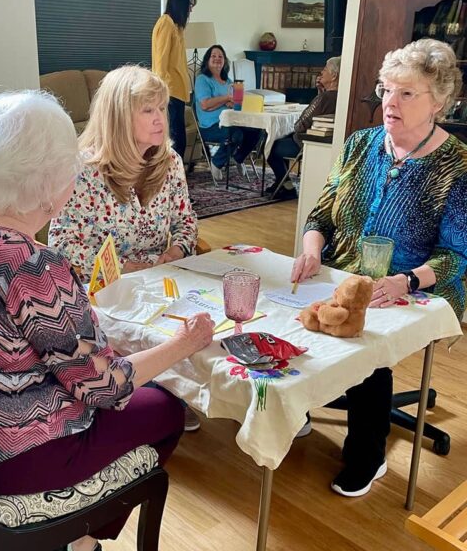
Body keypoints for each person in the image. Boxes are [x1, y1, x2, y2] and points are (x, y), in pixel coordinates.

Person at [0, 91, 214, 551]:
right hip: (16, 454)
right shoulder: (32, 264)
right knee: (168, 406)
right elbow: (106, 389)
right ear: (48, 184)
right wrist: (183, 344)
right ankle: (85, 529)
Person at [291, 39, 467, 498]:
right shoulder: (359, 145)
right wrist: (311, 250)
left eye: (407, 93)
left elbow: (457, 256)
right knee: (295, 317)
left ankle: (368, 456)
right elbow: (321, 217)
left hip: (418, 285)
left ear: (440, 102)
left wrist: (405, 280)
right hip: (343, 274)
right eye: (386, 89)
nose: (390, 101)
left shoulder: (458, 165)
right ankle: (299, 410)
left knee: (368, 347)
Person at [49, 65, 197, 281]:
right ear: (119, 116)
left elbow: (185, 222)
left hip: (157, 282)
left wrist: (177, 250)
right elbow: (61, 246)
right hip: (101, 289)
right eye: (148, 110)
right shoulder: (81, 170)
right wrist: (123, 267)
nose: (160, 119)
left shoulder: (170, 161)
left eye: (162, 108)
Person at [267, 56, 341, 199]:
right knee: (279, 139)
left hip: (305, 143)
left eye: (325, 69)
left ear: (334, 76)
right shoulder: (338, 96)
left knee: (269, 145)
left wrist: (296, 125)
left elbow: (301, 124)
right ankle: (283, 184)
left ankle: (286, 185)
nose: (322, 72)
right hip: (323, 141)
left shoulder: (325, 97)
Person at [195, 44, 261, 181]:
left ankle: (239, 157)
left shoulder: (228, 82)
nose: (217, 59)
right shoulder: (202, 79)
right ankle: (216, 163)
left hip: (231, 121)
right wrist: (225, 99)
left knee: (256, 131)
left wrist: (229, 103)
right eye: (213, 56)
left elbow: (233, 103)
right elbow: (205, 105)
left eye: (221, 56)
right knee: (236, 134)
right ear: (207, 60)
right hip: (210, 126)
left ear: (225, 61)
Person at [152, 0, 196, 159]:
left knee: (179, 141)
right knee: (175, 142)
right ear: (181, 2)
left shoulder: (177, 27)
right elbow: (161, 65)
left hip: (178, 92)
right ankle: (170, 181)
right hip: (169, 93)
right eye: (190, 5)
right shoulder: (166, 24)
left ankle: (176, 180)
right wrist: (163, 94)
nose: (191, 10)